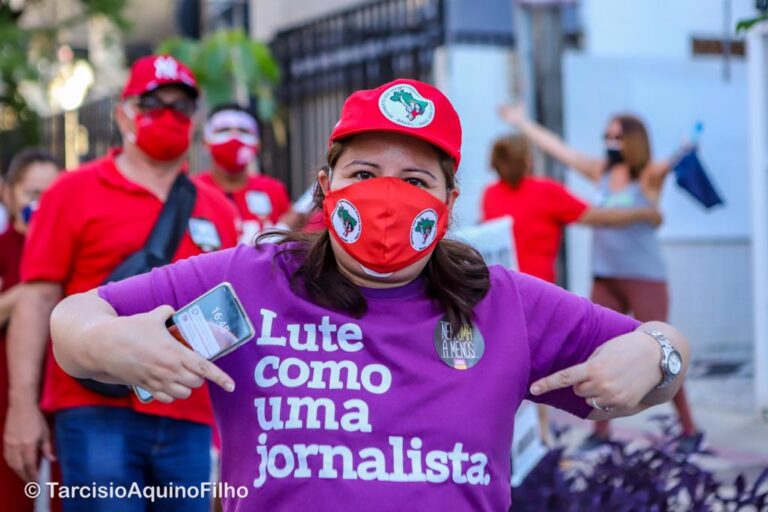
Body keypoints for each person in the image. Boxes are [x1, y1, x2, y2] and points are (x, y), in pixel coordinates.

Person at [50, 79, 690, 511]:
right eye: (364, 174)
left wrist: (655, 353)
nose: (388, 197)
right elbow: (74, 318)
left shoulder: (505, 302)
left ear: (449, 202)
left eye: (415, 179)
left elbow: (666, 352)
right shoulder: (250, 278)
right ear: (325, 186)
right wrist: (108, 341)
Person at [3, 55, 239, 512]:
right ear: (123, 113)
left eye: (181, 107)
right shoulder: (71, 193)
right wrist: (22, 407)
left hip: (188, 416)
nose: (168, 116)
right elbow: (37, 304)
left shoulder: (217, 208)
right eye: (154, 103)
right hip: (94, 410)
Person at [499, 104, 698, 450]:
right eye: (607, 135)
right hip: (604, 275)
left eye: (618, 136)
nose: (610, 141)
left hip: (643, 275)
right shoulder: (601, 170)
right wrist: (521, 123)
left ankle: (689, 430)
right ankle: (601, 433)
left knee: (660, 352)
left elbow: (672, 163)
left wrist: (686, 148)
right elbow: (558, 149)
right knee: (594, 350)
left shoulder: (648, 174)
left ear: (634, 140)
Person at [483, 134, 663, 284]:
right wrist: (643, 212)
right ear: (527, 161)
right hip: (537, 287)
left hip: (501, 286)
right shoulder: (546, 191)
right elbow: (600, 217)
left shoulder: (489, 194)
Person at [0, 148, 60, 512]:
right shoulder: (5, 247)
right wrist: (35, 290)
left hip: (62, 391)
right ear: (8, 193)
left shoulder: (67, 248)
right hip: (8, 395)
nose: (40, 204)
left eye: (51, 195)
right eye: (32, 193)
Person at [196, 103, 292, 243]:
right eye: (223, 130)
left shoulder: (273, 190)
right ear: (205, 142)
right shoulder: (191, 191)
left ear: (257, 144)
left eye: (244, 131)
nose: (234, 137)